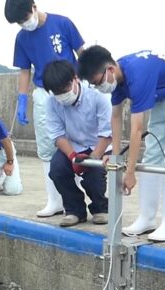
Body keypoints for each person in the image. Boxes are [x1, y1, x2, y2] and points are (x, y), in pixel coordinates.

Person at [77, 46, 165, 242]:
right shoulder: (118, 78)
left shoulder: (138, 74)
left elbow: (137, 129)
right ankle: (147, 218)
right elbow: (116, 117)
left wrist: (129, 173)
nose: (99, 87)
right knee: (152, 157)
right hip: (162, 98)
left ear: (110, 69)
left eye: (97, 82)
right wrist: (116, 156)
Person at [4, 0, 85, 217]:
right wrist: (22, 98)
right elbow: (24, 70)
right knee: (47, 147)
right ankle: (54, 200)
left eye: (24, 18)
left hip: (72, 87)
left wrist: (86, 83)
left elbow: (82, 52)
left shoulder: (62, 23)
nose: (24, 24)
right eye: (18, 23)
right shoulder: (21, 38)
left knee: (76, 142)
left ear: (33, 6)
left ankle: (76, 200)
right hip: (44, 93)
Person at [42, 60, 111, 227]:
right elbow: (57, 135)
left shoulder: (98, 97)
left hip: (98, 145)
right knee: (57, 170)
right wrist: (73, 156)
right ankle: (74, 210)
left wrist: (93, 157)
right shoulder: (52, 103)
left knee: (94, 175)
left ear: (75, 79)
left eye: (64, 89)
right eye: (56, 92)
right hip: (72, 147)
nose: (61, 95)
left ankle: (100, 208)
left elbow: (107, 133)